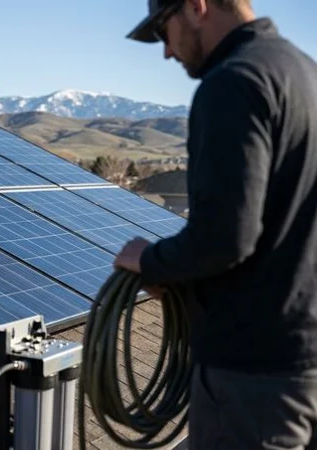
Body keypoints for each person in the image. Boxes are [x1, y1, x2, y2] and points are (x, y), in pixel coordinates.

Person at [116, 0, 317, 448]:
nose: (167, 52)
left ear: (195, 7)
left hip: (254, 374)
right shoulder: (305, 71)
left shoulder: (233, 82)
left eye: (163, 30)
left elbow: (227, 236)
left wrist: (151, 261)